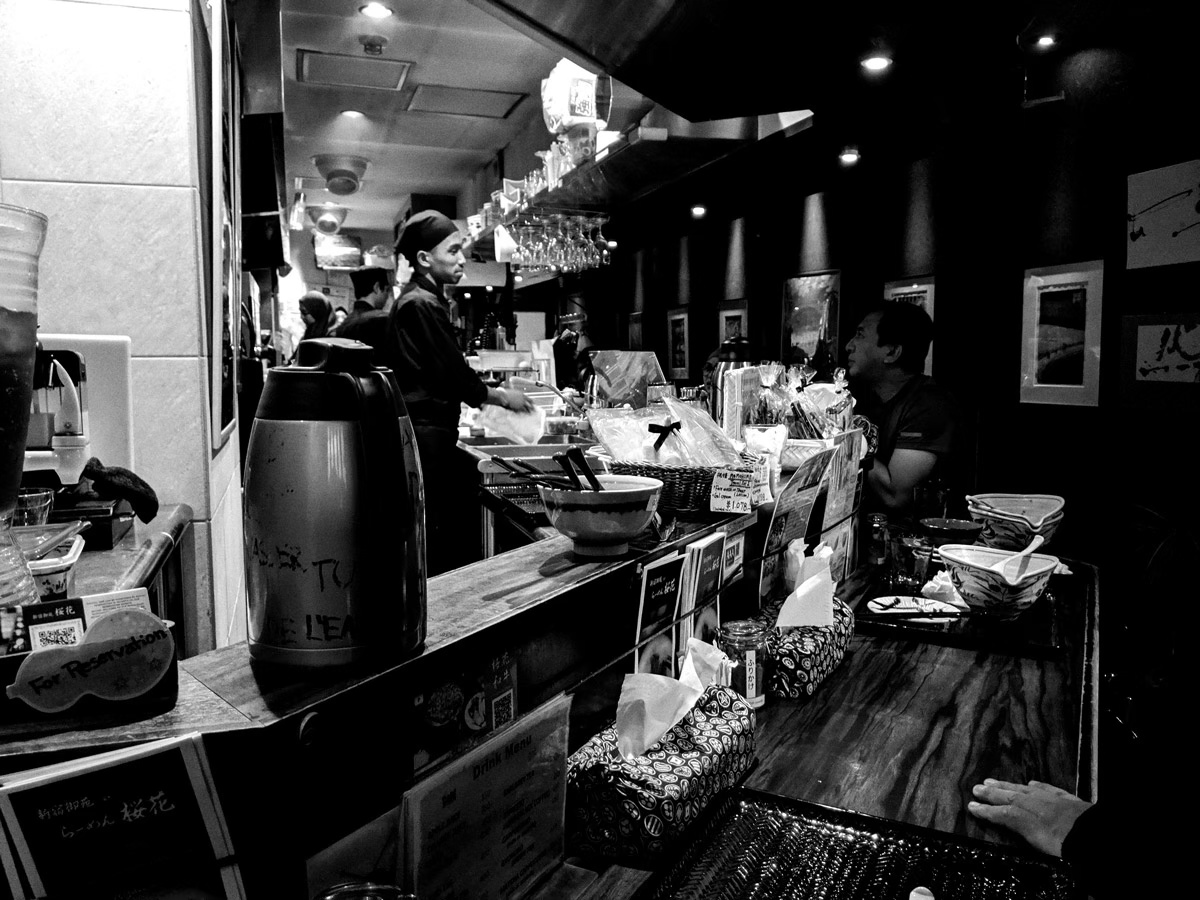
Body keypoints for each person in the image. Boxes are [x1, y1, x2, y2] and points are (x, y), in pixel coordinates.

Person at [386, 210, 534, 575]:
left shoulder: (420, 299)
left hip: (426, 435)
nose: (461, 259)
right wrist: (502, 397)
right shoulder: (421, 303)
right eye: (452, 251)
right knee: (434, 539)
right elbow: (453, 374)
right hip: (427, 436)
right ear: (425, 258)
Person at [844, 302, 956, 519]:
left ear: (892, 352)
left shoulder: (929, 405)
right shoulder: (865, 396)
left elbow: (895, 495)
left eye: (860, 335)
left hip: (914, 537)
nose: (849, 345)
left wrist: (843, 434)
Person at [335, 266, 394, 354]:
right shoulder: (382, 320)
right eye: (387, 290)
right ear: (377, 287)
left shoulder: (344, 325)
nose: (387, 296)